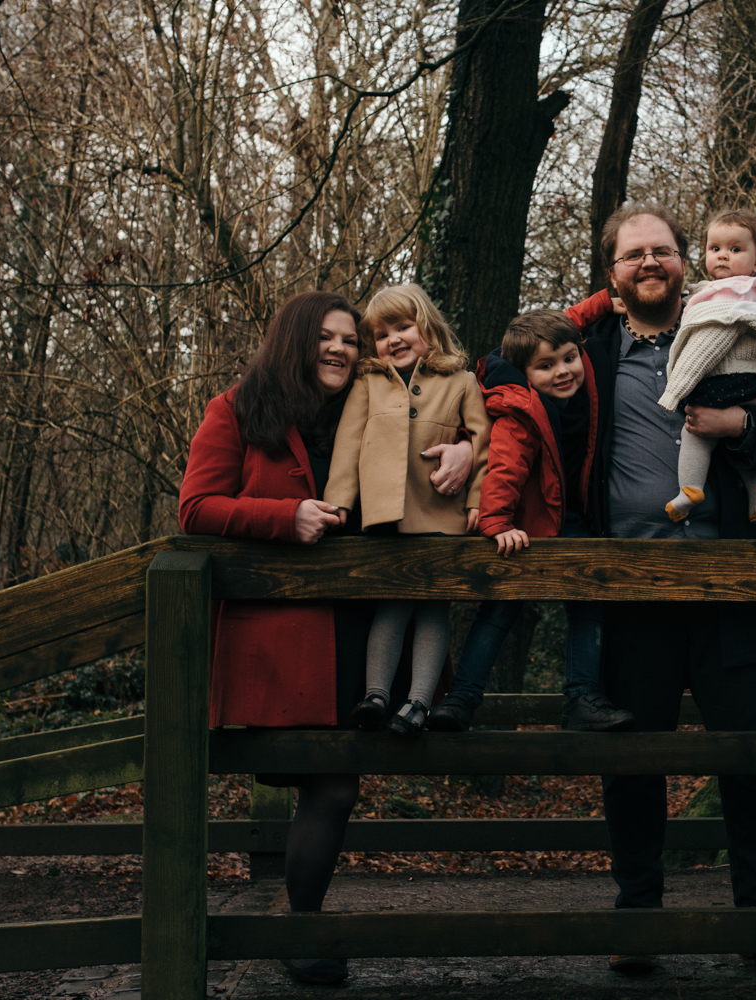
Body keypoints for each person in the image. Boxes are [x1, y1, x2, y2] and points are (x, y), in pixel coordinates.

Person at [178, 290, 474, 987]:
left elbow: (455, 401)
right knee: (332, 785)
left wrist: (466, 447)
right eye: (328, 339)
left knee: (339, 782)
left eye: (351, 340)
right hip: (280, 636)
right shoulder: (238, 409)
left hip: (364, 621)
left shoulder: (370, 396)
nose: (342, 350)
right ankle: (302, 930)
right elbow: (196, 505)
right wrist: (285, 517)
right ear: (295, 341)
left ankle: (300, 923)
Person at [574, 204, 756, 976]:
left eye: (663, 251)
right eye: (632, 255)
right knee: (635, 762)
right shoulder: (584, 354)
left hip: (736, 585)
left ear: (685, 262)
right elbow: (501, 373)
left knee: (753, 757)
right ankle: (638, 918)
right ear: (611, 272)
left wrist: (740, 426)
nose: (651, 263)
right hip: (633, 590)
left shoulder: (730, 319)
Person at [426, 310, 635, 734]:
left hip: (570, 517)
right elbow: (504, 468)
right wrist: (498, 522)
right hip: (525, 525)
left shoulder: (584, 386)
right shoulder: (521, 411)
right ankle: (461, 698)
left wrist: (604, 302)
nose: (562, 371)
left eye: (568, 358)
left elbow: (569, 319)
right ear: (524, 373)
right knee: (501, 609)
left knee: (588, 602)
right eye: (545, 366)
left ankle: (582, 696)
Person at [325, 283, 491, 737]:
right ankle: (376, 695)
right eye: (381, 334)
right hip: (386, 519)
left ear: (428, 327)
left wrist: (478, 501)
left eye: (403, 327)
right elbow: (348, 445)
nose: (393, 339)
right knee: (392, 608)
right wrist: (339, 503)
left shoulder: (460, 381)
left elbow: (483, 444)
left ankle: (418, 703)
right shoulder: (368, 382)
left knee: (434, 611)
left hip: (441, 517)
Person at [658, 209, 756, 523]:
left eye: (735, 249)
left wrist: (676, 390)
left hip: (724, 385)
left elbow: (707, 343)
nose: (723, 256)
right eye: (715, 249)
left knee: (696, 434)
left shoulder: (728, 297)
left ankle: (690, 489)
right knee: (735, 446)